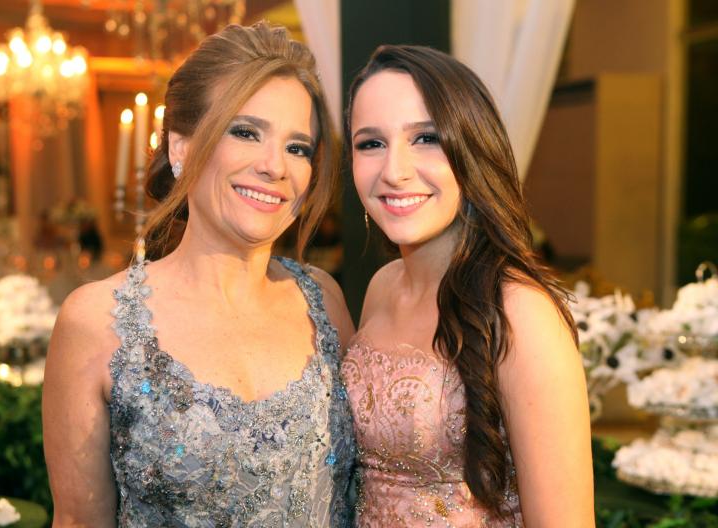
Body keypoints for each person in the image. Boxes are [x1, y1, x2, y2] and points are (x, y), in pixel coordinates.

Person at [43, 22, 356, 526]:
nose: (275, 166)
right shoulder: (95, 322)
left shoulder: (323, 299)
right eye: (246, 132)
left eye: (297, 147)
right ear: (181, 147)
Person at [340, 45, 594, 526]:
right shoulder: (381, 288)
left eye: (426, 138)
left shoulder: (519, 311)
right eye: (371, 143)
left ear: (471, 147)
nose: (394, 171)